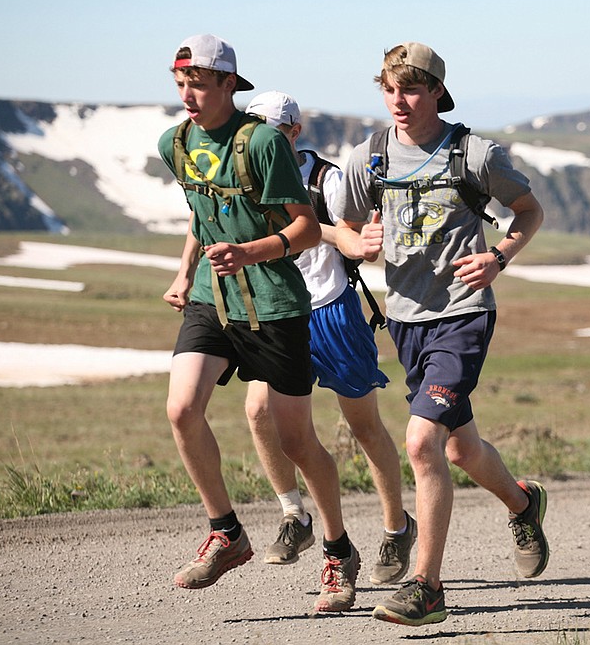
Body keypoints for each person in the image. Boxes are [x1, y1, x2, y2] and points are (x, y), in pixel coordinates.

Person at [332, 42, 549, 626]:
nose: (397, 101)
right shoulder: (369, 159)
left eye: (410, 89)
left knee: (422, 442)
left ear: (435, 92)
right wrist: (356, 244)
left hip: (464, 314)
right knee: (459, 447)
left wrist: (499, 257)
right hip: (404, 321)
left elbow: (529, 211)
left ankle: (427, 586)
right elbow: (340, 228)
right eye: (388, 89)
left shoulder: (475, 154)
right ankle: (524, 504)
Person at [157, 35, 360, 612]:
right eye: (180, 85)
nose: (188, 96)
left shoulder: (264, 142)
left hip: (274, 302)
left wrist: (249, 252)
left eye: (199, 84)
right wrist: (186, 271)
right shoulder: (174, 143)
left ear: (229, 85)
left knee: (296, 439)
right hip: (211, 298)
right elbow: (204, 213)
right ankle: (227, 532)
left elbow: (304, 228)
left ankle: (338, 551)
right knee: (180, 409)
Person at [242, 90, 416, 587]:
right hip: (278, 314)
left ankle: (396, 527)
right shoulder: (246, 177)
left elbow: (356, 244)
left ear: (294, 133)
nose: (259, 144)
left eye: (270, 133)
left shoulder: (328, 180)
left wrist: (358, 241)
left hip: (331, 310)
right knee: (258, 413)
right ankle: (294, 515)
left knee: (363, 427)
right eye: (252, 135)